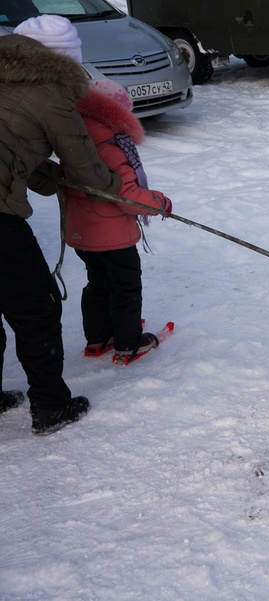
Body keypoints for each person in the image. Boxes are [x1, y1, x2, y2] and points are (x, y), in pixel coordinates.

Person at [0, 17, 122, 434]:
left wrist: (45, 178)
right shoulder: (51, 94)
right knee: (37, 307)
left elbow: (10, 139)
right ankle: (51, 407)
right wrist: (118, 191)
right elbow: (85, 163)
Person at [63, 78, 172, 366]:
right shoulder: (112, 144)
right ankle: (128, 343)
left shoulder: (74, 136)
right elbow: (126, 195)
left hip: (82, 233)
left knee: (98, 282)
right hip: (111, 235)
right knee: (125, 286)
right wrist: (158, 201)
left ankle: (98, 339)